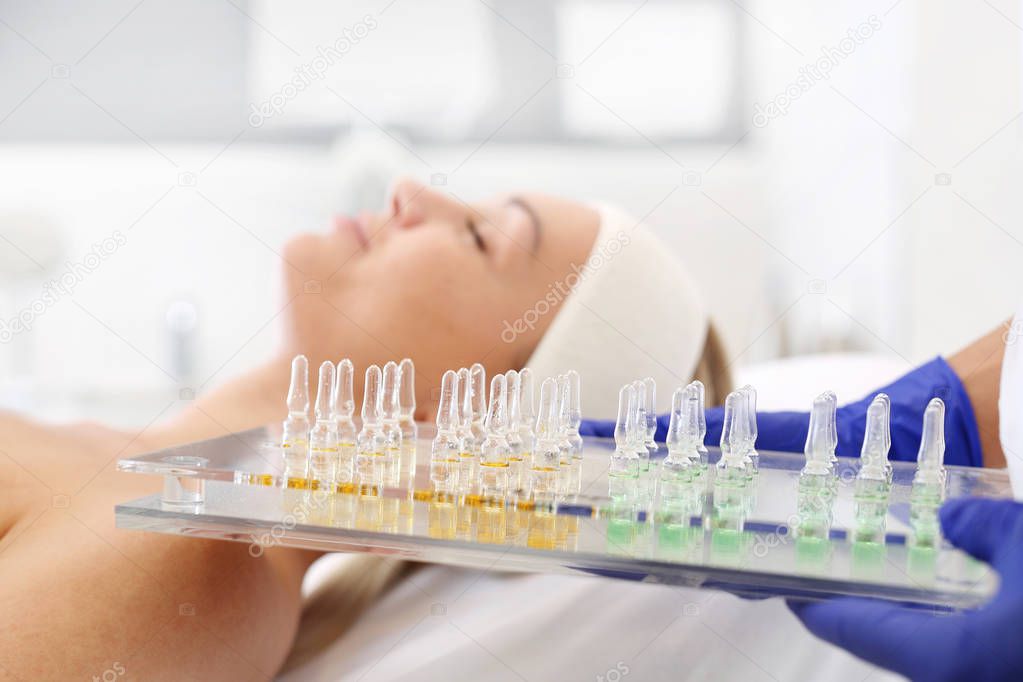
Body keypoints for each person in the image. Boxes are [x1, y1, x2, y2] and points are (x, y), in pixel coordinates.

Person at [0, 176, 1008, 680]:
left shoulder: (184, 566)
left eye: (482, 237)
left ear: (490, 416)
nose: (411, 194)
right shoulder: (118, 459)